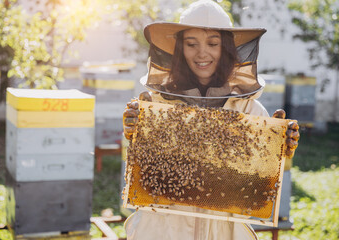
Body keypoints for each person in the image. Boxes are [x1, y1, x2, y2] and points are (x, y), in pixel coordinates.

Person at [122, 1, 300, 239]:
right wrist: (134, 130)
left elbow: (261, 181)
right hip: (164, 230)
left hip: (224, 232)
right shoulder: (157, 105)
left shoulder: (250, 109)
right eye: (191, 44)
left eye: (212, 44)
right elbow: (144, 176)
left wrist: (279, 147)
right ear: (179, 49)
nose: (202, 53)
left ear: (225, 48)